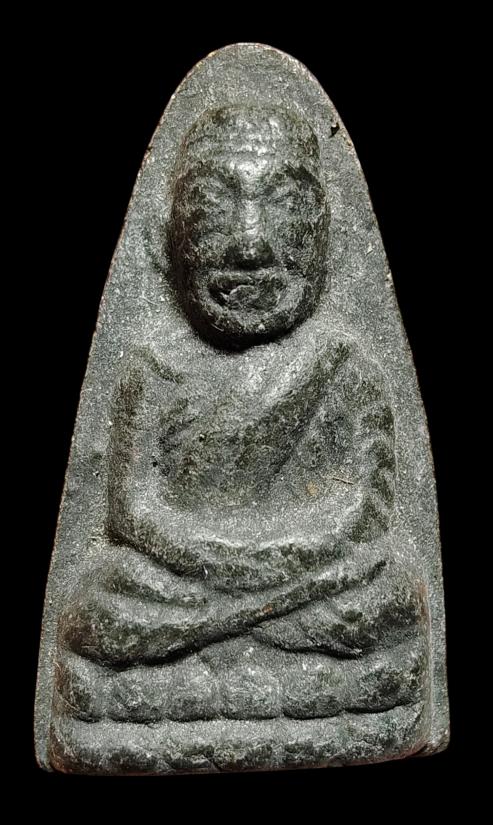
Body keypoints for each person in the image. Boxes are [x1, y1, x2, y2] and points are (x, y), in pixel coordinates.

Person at [53, 106, 428, 738]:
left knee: (389, 595)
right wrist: (224, 565)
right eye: (212, 205)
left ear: (331, 237)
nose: (250, 246)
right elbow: (131, 512)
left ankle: (180, 695)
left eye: (285, 204)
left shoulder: (344, 366)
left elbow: (365, 510)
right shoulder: (153, 367)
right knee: (102, 600)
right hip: (187, 583)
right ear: (163, 237)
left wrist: (270, 565)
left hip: (306, 579)